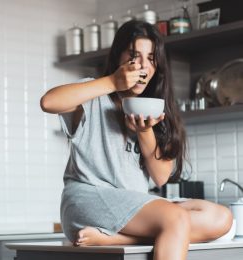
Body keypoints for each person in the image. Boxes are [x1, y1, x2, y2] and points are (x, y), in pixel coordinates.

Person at [40, 20, 232, 260]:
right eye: (134, 56)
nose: (143, 66)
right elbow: (48, 102)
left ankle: (118, 238)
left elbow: (161, 176)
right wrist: (112, 82)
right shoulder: (95, 94)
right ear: (118, 58)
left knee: (221, 218)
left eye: (151, 58)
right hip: (87, 200)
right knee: (176, 218)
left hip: (136, 204)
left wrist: (144, 131)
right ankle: (153, 229)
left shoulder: (155, 107)